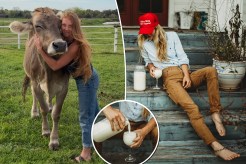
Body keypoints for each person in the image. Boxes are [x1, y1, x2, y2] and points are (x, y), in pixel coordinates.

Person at [137, 12, 240, 161]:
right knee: (193, 108)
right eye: (145, 32)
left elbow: (182, 56)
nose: (148, 35)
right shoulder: (144, 43)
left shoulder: (171, 36)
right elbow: (148, 62)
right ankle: (216, 146)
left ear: (157, 27)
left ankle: (215, 112)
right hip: (169, 78)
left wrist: (186, 75)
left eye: (150, 31)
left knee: (211, 70)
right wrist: (151, 68)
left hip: (184, 73)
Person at [34, 11, 99, 162]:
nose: (67, 29)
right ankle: (101, 139)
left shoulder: (75, 44)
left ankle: (86, 153)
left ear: (76, 27)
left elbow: (56, 66)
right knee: (95, 113)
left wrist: (40, 50)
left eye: (71, 26)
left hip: (87, 80)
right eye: (63, 25)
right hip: (83, 78)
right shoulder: (63, 39)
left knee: (85, 116)